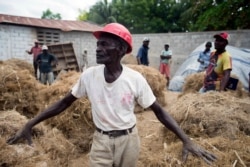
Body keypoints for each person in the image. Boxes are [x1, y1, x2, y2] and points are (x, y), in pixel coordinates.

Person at [7, 23, 216, 167]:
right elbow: (63, 103)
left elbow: (160, 112)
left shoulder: (135, 79)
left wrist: (186, 140)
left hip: (129, 141)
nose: (98, 48)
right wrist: (30, 124)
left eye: (104, 44)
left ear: (122, 49)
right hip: (101, 141)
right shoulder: (89, 76)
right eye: (98, 44)